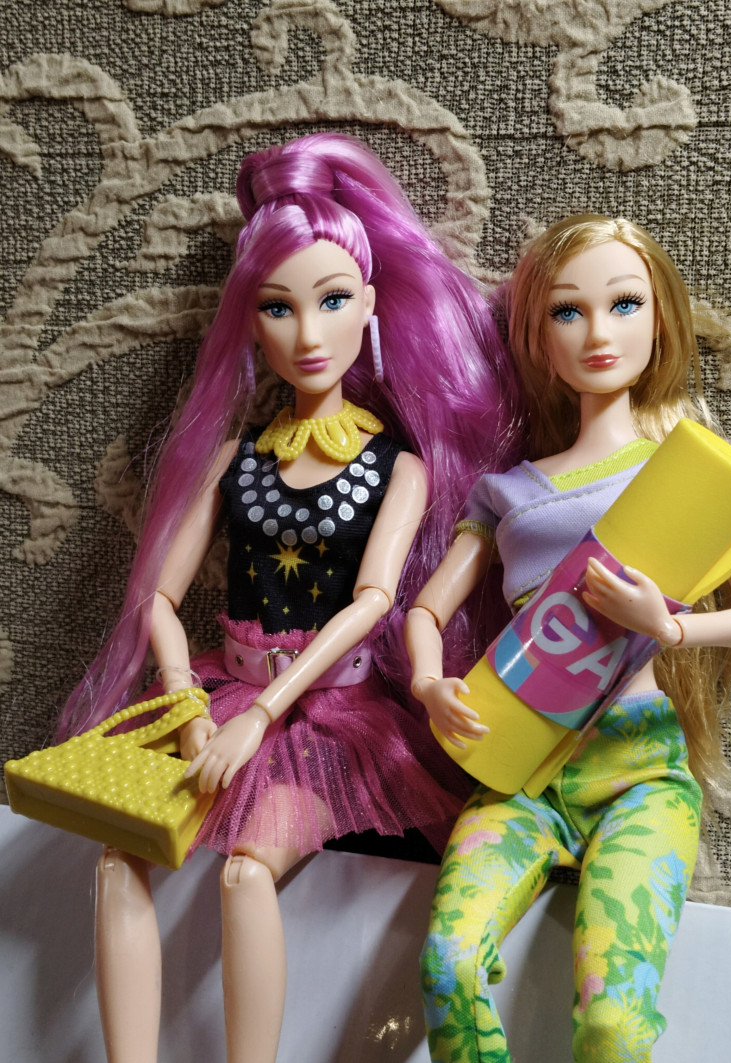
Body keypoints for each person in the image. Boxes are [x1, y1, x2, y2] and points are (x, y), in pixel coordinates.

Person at [57, 132, 518, 1063]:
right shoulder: (235, 457)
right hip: (218, 694)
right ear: (250, 321)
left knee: (243, 873)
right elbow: (158, 597)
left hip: (328, 712)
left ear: (371, 306)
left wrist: (264, 713)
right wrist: (187, 697)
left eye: (333, 300)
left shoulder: (398, 466)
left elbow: (373, 603)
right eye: (279, 307)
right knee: (118, 851)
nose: (308, 334)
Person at [405, 214, 731, 1063]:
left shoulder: (688, 471)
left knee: (615, 1022)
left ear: (660, 321)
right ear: (539, 339)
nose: (597, 332)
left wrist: (669, 625)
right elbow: (426, 611)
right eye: (567, 311)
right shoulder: (506, 493)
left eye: (624, 304)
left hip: (641, 773)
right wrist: (431, 684)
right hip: (522, 766)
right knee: (445, 963)